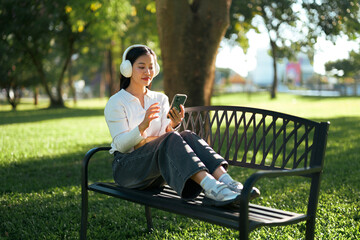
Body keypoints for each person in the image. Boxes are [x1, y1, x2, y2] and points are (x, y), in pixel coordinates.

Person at [104, 44, 260, 207]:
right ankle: (212, 188)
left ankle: (229, 183)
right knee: (172, 137)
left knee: (187, 135)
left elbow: (166, 135)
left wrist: (173, 123)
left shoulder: (160, 98)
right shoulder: (116, 102)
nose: (147, 72)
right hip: (127, 170)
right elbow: (121, 146)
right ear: (127, 69)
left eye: (151, 67)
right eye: (141, 67)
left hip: (157, 171)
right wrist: (142, 127)